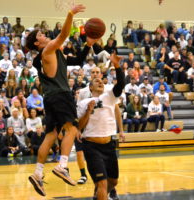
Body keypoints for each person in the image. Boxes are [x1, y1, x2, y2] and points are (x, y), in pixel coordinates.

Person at [26, 5, 101, 196]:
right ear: (37, 43)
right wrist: (70, 14)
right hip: (61, 95)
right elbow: (63, 34)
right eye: (41, 35)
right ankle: (62, 165)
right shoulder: (48, 50)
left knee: (51, 135)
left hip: (50, 98)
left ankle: (37, 173)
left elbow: (78, 61)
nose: (45, 35)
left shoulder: (52, 54)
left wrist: (89, 43)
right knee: (73, 129)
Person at [77, 53, 125, 200]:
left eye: (102, 81)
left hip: (109, 145)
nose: (100, 82)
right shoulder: (84, 103)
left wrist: (116, 65)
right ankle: (100, 192)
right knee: (103, 183)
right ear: (90, 87)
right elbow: (80, 127)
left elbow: (121, 84)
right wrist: (88, 112)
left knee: (113, 181)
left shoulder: (110, 95)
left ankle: (98, 194)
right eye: (96, 81)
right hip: (92, 146)